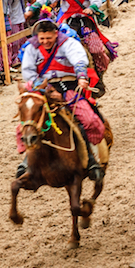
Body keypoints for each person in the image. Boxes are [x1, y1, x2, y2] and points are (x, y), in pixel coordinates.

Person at [20, 20, 104, 181]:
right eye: (42, 38)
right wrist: (45, 89)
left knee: (88, 119)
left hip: (68, 87)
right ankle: (26, 162)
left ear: (56, 34)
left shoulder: (68, 43)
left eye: (48, 38)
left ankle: (92, 159)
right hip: (43, 88)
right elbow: (28, 71)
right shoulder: (31, 48)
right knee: (27, 121)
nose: (45, 42)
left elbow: (79, 60)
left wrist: (81, 77)